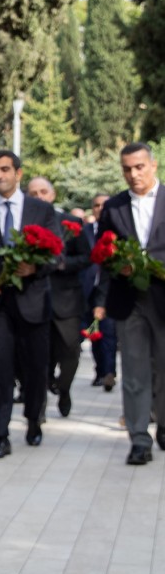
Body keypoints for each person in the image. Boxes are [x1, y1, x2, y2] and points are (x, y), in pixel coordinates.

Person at [0, 150, 58, 459]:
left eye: (5, 169)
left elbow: (56, 254)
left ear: (18, 173)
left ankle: (33, 420)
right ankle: (1, 435)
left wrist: (35, 268)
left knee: (35, 370)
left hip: (33, 302)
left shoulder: (41, 210)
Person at [92, 143, 165, 465]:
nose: (133, 174)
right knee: (134, 372)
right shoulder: (114, 207)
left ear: (153, 165)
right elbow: (102, 252)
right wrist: (116, 265)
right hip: (129, 299)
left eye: (139, 167)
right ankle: (139, 439)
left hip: (163, 298)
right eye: (127, 169)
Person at [26, 176, 89, 418]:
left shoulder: (71, 223)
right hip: (34, 298)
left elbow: (86, 257)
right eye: (33, 193)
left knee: (71, 351)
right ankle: (39, 408)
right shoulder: (23, 223)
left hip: (67, 299)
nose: (39, 197)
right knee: (38, 356)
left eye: (43, 192)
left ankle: (64, 388)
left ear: (52, 195)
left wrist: (61, 264)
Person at [85, 193, 117, 391]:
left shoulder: (116, 232)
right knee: (94, 334)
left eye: (104, 205)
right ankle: (100, 372)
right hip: (87, 290)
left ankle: (109, 372)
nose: (100, 209)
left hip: (109, 291)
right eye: (96, 205)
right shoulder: (85, 231)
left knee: (108, 333)